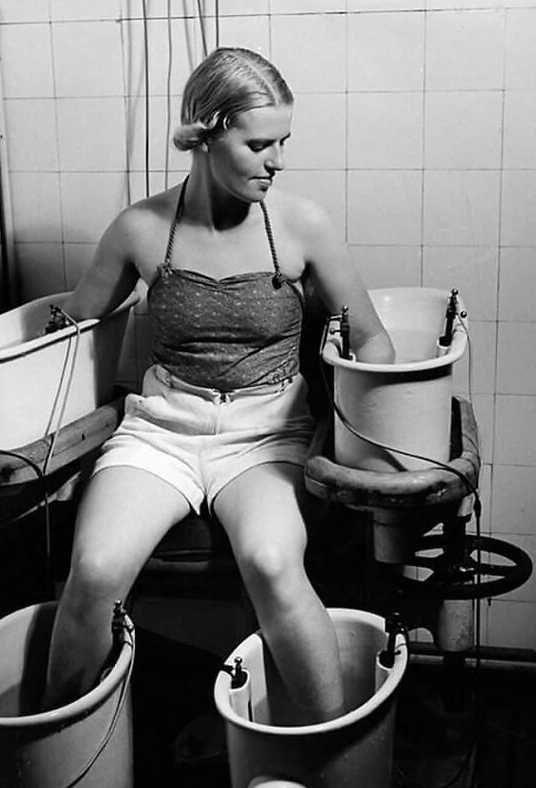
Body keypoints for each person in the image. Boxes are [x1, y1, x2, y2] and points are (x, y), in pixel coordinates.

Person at [44, 47, 394, 721]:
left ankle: (329, 752)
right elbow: (72, 322)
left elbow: (372, 339)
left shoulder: (302, 226)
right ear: (205, 135)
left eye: (283, 142)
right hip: (161, 432)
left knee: (272, 562)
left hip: (267, 435)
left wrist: (356, 428)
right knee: (93, 571)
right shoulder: (140, 228)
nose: (277, 160)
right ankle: (53, 759)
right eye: (259, 144)